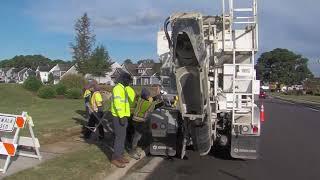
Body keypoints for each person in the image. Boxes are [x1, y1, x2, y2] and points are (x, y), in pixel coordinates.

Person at [128, 88, 159, 160]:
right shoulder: (147, 104)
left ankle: (135, 150)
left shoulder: (139, 100)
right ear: (147, 96)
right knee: (137, 137)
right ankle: (132, 152)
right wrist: (155, 100)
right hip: (140, 121)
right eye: (148, 95)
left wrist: (154, 98)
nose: (149, 96)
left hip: (134, 120)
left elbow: (143, 98)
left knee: (138, 136)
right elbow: (151, 109)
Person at [110, 73, 133, 168]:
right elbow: (118, 104)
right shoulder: (118, 88)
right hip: (119, 117)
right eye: (128, 80)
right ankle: (115, 158)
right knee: (119, 138)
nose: (130, 82)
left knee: (122, 137)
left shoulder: (123, 88)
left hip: (123, 116)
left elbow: (129, 101)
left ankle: (120, 155)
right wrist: (121, 117)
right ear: (123, 79)